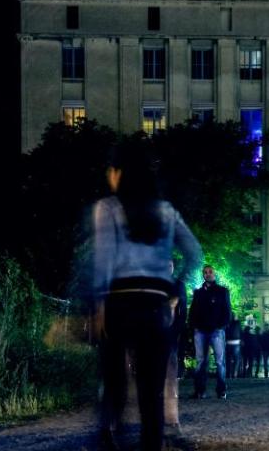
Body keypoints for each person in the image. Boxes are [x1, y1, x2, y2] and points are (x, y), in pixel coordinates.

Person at [92, 140, 202, 451]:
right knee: (151, 395)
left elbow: (103, 259)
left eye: (112, 171)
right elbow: (195, 253)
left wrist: (98, 305)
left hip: (119, 302)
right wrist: (176, 287)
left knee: (114, 385)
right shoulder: (165, 211)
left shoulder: (108, 208)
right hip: (155, 305)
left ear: (120, 173)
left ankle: (109, 437)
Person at [189, 265, 231, 399]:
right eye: (205, 272)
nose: (208, 274)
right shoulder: (198, 292)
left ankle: (221, 390)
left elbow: (227, 310)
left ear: (214, 274)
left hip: (216, 331)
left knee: (220, 361)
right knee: (201, 361)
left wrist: (222, 326)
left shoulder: (222, 291)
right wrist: (194, 326)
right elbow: (193, 311)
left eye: (210, 272)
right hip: (200, 331)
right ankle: (200, 391)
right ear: (203, 275)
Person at [164, 263, 187, 432]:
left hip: (170, 333)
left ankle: (172, 417)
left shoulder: (178, 285)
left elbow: (182, 311)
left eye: (169, 264)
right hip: (152, 332)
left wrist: (177, 330)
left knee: (170, 374)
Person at [225, 313, 242, 379]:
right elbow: (240, 332)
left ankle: (228, 374)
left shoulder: (226, 323)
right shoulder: (237, 323)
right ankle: (234, 374)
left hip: (228, 343)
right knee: (236, 360)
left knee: (228, 360)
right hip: (236, 343)